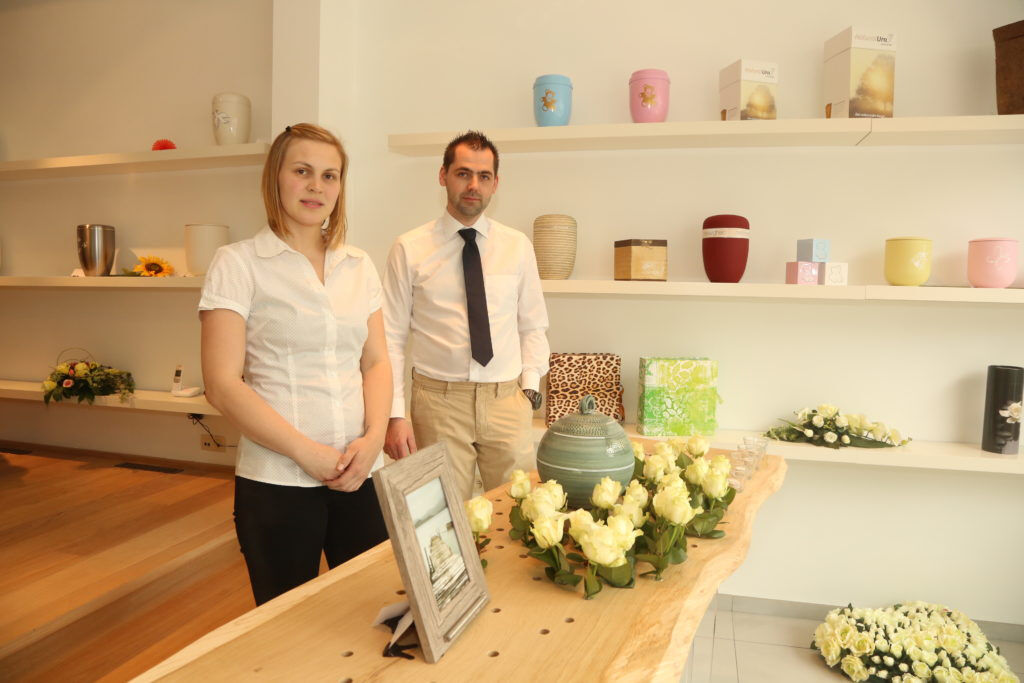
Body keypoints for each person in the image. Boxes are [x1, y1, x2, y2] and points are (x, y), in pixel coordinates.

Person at [199, 123, 391, 605]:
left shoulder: (359, 264)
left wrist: (373, 439)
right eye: (302, 171)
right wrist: (307, 453)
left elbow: (376, 361)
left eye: (330, 176)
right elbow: (222, 384)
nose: (316, 186)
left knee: (373, 609)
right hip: (278, 480)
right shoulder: (238, 263)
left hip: (361, 473)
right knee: (286, 620)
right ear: (275, 177)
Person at [382, 130, 550, 500]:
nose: (474, 185)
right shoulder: (409, 248)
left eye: (484, 176)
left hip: (506, 400)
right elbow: (390, 337)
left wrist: (529, 389)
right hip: (437, 403)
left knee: (518, 509)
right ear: (443, 175)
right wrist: (394, 414)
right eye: (463, 173)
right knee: (445, 513)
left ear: (495, 184)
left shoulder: (517, 246)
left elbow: (533, 324)